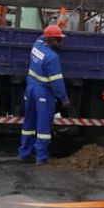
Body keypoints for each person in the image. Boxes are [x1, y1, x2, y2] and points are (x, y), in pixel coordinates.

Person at [19, 25, 71, 165]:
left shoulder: (37, 46)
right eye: (58, 40)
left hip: (30, 89)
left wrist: (57, 25)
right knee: (43, 126)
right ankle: (41, 157)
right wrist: (64, 99)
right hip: (43, 92)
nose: (61, 43)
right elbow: (57, 82)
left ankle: (24, 153)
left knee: (29, 123)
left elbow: (42, 36)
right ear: (51, 41)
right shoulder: (52, 57)